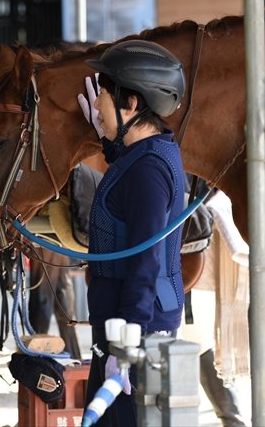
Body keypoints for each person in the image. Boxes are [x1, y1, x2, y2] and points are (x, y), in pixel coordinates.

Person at [76, 40, 186, 426]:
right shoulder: (147, 154)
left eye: (104, 97)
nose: (98, 107)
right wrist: (108, 141)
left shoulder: (148, 171)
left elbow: (146, 257)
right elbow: (129, 187)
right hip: (124, 329)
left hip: (136, 335)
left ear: (132, 104)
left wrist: (128, 346)